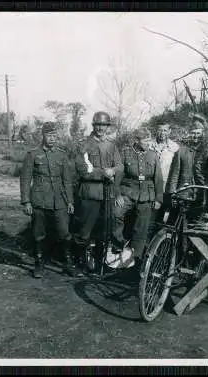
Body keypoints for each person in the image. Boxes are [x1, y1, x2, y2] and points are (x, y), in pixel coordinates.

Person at [20, 122, 79, 279]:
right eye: (49, 135)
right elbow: (25, 179)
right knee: (39, 234)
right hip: (39, 200)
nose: (52, 139)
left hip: (60, 200)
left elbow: (67, 180)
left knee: (64, 233)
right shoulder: (32, 155)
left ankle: (68, 263)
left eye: (54, 136)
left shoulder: (61, 155)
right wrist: (26, 201)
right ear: (43, 136)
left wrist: (71, 202)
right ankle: (39, 264)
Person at [72, 111, 124, 270]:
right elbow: (84, 170)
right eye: (98, 125)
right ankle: (80, 263)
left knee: (104, 230)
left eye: (104, 125)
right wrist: (104, 172)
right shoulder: (84, 145)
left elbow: (120, 166)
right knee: (85, 231)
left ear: (108, 127)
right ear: (93, 126)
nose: (101, 128)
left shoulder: (111, 144)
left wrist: (113, 170)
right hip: (90, 193)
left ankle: (100, 264)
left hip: (107, 193)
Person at [112, 128, 163, 269]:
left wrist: (158, 198)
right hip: (127, 192)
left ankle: (136, 259)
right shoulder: (125, 153)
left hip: (146, 194)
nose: (149, 143)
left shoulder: (153, 155)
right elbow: (118, 175)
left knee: (142, 226)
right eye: (145, 140)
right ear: (137, 140)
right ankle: (119, 243)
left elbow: (158, 179)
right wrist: (117, 194)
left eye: (149, 140)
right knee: (115, 213)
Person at [167, 120, 208, 222]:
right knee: (178, 223)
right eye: (193, 133)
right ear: (189, 134)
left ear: (203, 134)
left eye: (198, 133)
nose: (195, 136)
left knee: (197, 224)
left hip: (201, 194)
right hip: (183, 194)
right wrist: (173, 193)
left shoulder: (207, 151)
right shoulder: (181, 151)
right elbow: (174, 174)